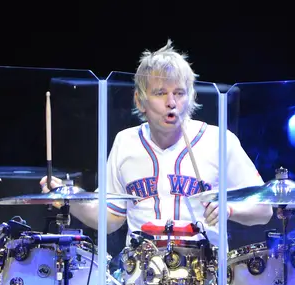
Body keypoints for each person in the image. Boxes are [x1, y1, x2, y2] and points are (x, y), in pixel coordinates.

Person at [40, 39, 272, 242]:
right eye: (160, 93)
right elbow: (110, 218)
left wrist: (230, 209)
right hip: (140, 281)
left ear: (191, 98)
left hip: (204, 280)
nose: (171, 102)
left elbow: (264, 211)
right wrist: (70, 196)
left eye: (179, 93)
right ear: (140, 101)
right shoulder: (125, 142)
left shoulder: (220, 141)